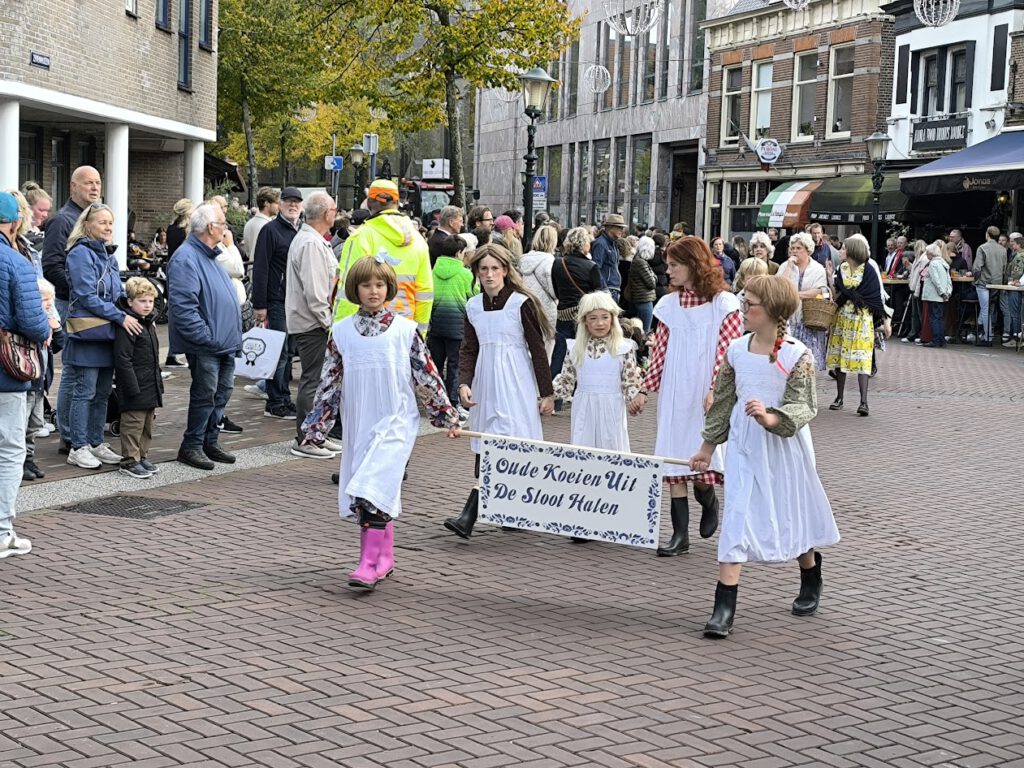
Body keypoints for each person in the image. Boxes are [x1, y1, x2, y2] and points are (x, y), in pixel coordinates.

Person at [689, 274, 839, 638]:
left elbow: (805, 405)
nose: (743, 309)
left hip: (784, 448)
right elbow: (723, 401)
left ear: (771, 311)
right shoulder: (737, 350)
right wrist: (707, 447)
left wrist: (773, 417)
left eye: (750, 304)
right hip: (744, 446)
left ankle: (810, 573)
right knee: (738, 516)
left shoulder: (796, 354)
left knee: (791, 514)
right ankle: (723, 608)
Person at [301, 255, 459, 590]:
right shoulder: (341, 333)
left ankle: (368, 564)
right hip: (360, 420)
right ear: (354, 289)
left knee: (371, 486)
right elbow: (329, 381)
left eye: (379, 285)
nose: (373, 291)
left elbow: (426, 375)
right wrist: (316, 427)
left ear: (389, 288)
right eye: (366, 285)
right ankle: (384, 558)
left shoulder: (405, 331)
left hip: (396, 419)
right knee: (372, 489)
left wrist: (444, 414)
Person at [633, 237, 742, 557]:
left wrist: (714, 390)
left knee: (701, 463)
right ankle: (680, 535)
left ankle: (708, 499)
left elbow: (727, 354)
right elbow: (659, 354)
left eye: (674, 266)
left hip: (704, 391)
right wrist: (644, 390)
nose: (668, 272)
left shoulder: (724, 303)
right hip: (675, 391)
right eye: (667, 265)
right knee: (672, 457)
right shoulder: (667, 306)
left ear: (694, 265)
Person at [444, 244, 554, 539]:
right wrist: (463, 383)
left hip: (516, 381)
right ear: (476, 273)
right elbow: (469, 349)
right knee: (487, 439)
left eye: (495, 268)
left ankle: (473, 514)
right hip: (486, 381)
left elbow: (537, 349)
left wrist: (547, 392)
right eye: (483, 269)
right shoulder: (473, 307)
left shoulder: (521, 303)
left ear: (505, 270)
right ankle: (505, 509)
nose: (489, 274)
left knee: (511, 437)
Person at [61, 203, 139, 468]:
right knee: (85, 391)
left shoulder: (109, 255)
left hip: (107, 334)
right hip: (88, 334)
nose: (108, 227)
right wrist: (120, 316)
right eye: (103, 222)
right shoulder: (80, 253)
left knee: (103, 392)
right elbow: (86, 295)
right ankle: (78, 446)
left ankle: (95, 442)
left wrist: (133, 305)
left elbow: (116, 294)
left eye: (110, 223)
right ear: (88, 224)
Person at [167, 204, 243, 470]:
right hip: (208, 344)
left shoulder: (208, 256)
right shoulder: (187, 258)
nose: (226, 228)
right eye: (223, 223)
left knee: (221, 393)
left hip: (221, 342)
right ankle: (192, 445)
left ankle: (209, 441)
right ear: (211, 227)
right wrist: (206, 337)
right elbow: (183, 307)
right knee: (205, 394)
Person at [0, 192, 51, 557]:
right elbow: (33, 322)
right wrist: (46, 330)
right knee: (10, 448)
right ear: (15, 222)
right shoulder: (16, 262)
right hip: (6, 370)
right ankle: (2, 529)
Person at [335, 179, 433, 335]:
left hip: (368, 333)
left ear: (368, 203)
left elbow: (347, 291)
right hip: (405, 333)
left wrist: (338, 335)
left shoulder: (361, 237)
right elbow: (425, 294)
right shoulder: (418, 240)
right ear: (396, 202)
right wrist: (420, 335)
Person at [285, 191, 342, 458]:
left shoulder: (313, 241)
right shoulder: (310, 244)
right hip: (313, 324)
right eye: (334, 209)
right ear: (327, 214)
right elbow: (317, 292)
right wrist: (329, 324)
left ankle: (316, 434)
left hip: (313, 322)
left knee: (318, 380)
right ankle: (306, 438)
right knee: (313, 379)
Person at [553, 292, 643, 455]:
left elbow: (629, 380)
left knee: (611, 448)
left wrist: (635, 398)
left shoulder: (623, 348)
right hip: (583, 407)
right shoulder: (575, 349)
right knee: (583, 448)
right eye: (593, 318)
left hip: (612, 406)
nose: (599, 323)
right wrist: (548, 396)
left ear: (612, 318)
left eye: (604, 317)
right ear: (585, 321)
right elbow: (566, 380)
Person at [252, 186, 303, 418]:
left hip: (294, 303)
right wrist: (260, 304)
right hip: (277, 300)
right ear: (280, 204)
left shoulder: (300, 231)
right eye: (288, 201)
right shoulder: (270, 230)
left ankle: (283, 396)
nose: (293, 205)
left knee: (288, 352)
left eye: (297, 202)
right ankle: (275, 402)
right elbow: (260, 268)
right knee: (278, 353)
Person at [826, 234, 885, 416]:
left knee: (862, 359)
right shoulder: (841, 268)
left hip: (861, 319)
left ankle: (864, 402)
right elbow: (837, 294)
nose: (841, 251)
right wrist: (830, 277)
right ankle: (839, 397)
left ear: (852, 251)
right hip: (842, 319)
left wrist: (881, 322)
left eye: (843, 249)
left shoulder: (868, 270)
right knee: (840, 359)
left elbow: (875, 296)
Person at [113, 277, 163, 478]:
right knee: (133, 424)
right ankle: (129, 460)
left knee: (147, 424)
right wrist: (131, 386)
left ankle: (141, 456)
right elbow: (123, 359)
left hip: (149, 384)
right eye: (142, 301)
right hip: (134, 385)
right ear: (131, 302)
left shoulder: (149, 324)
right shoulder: (130, 325)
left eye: (150, 301)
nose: (147, 305)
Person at [42, 165, 102, 322]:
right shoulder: (61, 221)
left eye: (98, 183)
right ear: (73, 186)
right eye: (89, 183)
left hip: (90, 303)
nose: (95, 188)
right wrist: (81, 290)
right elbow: (52, 267)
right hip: (69, 306)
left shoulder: (93, 219)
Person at [427, 235, 477, 417]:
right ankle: (454, 404)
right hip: (457, 326)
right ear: (458, 253)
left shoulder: (432, 271)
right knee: (456, 366)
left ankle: (436, 402)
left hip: (436, 325)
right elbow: (474, 295)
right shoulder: (465, 274)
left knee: (436, 366)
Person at [549, 227, 602, 387]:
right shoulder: (591, 267)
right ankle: (580, 389)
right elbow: (597, 295)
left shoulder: (558, 263)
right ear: (583, 244)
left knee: (559, 353)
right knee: (584, 352)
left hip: (563, 314)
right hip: (584, 316)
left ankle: (553, 394)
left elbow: (556, 290)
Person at [23, 279, 63, 482]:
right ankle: (22, 461)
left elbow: (59, 345)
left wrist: (55, 328)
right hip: (28, 380)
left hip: (39, 383)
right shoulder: (28, 322)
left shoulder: (46, 320)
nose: (48, 304)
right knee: (22, 424)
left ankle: (29, 459)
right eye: (44, 299)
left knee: (34, 424)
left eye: (51, 300)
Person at [777, 232, 829, 370]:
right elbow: (779, 286)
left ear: (807, 250)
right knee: (788, 359)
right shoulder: (784, 266)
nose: (794, 251)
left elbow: (820, 290)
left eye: (798, 248)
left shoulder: (817, 268)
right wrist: (788, 266)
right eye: (792, 248)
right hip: (788, 319)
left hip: (809, 318)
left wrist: (795, 294)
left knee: (808, 362)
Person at [163, 198, 195, 368]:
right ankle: (175, 353)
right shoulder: (185, 232)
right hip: (181, 273)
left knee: (174, 314)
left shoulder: (170, 228)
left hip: (171, 270)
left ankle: (172, 353)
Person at [519, 225, 559, 360]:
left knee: (528, 342)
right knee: (546, 347)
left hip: (527, 304)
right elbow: (553, 290)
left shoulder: (524, 260)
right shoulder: (549, 262)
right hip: (546, 308)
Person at [973, 226, 1006, 346]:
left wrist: (976, 279)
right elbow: (1004, 267)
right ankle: (984, 330)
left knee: (985, 309)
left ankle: (987, 337)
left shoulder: (982, 248)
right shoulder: (1002, 249)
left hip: (984, 282)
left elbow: (977, 267)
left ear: (987, 234)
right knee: (988, 308)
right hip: (997, 283)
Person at [919, 243, 952, 349]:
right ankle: (941, 340)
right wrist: (947, 292)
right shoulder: (943, 263)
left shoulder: (932, 264)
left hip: (934, 295)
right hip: (942, 295)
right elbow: (948, 280)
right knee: (940, 317)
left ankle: (936, 340)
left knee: (934, 318)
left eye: (927, 253)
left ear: (930, 254)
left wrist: (941, 292)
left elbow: (935, 280)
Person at [590, 214, 626, 300]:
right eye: (619, 227)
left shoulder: (612, 243)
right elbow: (596, 269)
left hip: (612, 289)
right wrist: (604, 289)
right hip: (608, 290)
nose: (622, 230)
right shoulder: (601, 244)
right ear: (610, 227)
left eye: (622, 228)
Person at [243, 187, 280, 263]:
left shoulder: (249, 223)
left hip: (251, 269)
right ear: (266, 203)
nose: (278, 207)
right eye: (276, 203)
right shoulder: (268, 226)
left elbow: (247, 252)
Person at [630, 236, 657, 334]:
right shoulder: (641, 263)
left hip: (640, 298)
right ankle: (643, 349)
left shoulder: (638, 260)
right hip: (644, 299)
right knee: (646, 330)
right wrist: (654, 276)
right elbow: (652, 283)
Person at [1003, 233, 1024, 346]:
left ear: (1018, 244)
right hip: (1020, 287)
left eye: (1013, 243)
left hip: (1016, 287)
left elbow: (1017, 272)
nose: (1011, 245)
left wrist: (1012, 279)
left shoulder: (1019, 256)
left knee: (1014, 313)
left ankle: (1016, 338)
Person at [20, 182, 51, 251]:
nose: (45, 215)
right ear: (27, 207)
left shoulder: (38, 230)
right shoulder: (19, 233)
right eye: (41, 210)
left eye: (47, 211)